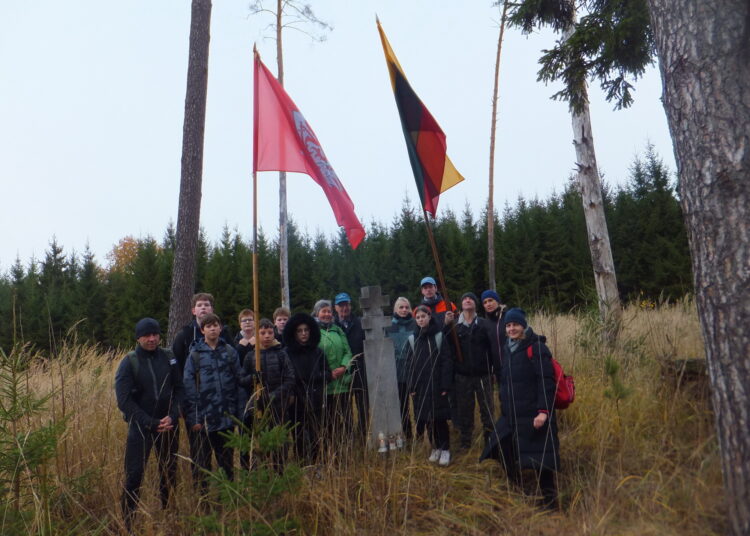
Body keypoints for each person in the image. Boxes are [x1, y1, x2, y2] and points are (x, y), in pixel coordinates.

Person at [115, 318, 182, 533]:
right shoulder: (129, 362)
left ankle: (168, 511)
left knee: (169, 470)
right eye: (147, 335)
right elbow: (124, 401)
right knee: (134, 475)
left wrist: (172, 416)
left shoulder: (169, 357)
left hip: (168, 426)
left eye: (155, 335)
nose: (152, 339)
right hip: (141, 428)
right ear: (138, 338)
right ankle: (128, 521)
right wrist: (150, 422)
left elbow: (180, 389)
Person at [495, 308, 560, 510]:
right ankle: (518, 487)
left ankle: (550, 503)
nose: (512, 328)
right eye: (508, 325)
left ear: (523, 325)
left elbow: (546, 382)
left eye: (515, 324)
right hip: (513, 414)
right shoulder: (508, 348)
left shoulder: (536, 347)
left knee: (541, 457)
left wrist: (543, 411)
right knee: (502, 445)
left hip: (534, 413)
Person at [183, 313, 242, 494]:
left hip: (226, 417)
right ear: (202, 330)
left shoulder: (230, 351)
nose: (213, 329)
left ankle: (230, 495)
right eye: (208, 326)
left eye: (216, 325)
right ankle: (204, 500)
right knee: (203, 463)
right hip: (205, 419)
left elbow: (238, 381)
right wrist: (194, 417)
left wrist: (238, 413)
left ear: (221, 328)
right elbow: (189, 386)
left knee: (226, 461)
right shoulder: (195, 355)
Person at [406, 305, 454, 466]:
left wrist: (445, 385)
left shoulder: (439, 336)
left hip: (437, 385)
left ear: (429, 316)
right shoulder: (413, 339)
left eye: (423, 316)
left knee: (439, 419)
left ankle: (445, 449)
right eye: (418, 317)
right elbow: (410, 365)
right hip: (421, 388)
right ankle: (435, 447)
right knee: (427, 420)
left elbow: (447, 361)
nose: (421, 319)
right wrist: (411, 386)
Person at [284, 313, 333, 464]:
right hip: (297, 402)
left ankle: (317, 462)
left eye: (306, 330)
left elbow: (328, 374)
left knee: (316, 434)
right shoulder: (287, 353)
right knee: (298, 436)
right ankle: (302, 464)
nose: (304, 333)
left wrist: (315, 376)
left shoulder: (318, 352)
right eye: (299, 331)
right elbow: (285, 377)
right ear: (294, 333)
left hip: (316, 400)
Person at [453, 292, 495, 451]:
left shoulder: (484, 324)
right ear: (461, 304)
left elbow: (492, 350)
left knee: (488, 411)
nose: (467, 300)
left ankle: (490, 443)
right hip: (462, 377)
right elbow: (449, 352)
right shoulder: (454, 326)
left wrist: (493, 371)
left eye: (471, 298)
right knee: (465, 411)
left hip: (483, 375)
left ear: (476, 304)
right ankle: (465, 443)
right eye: (464, 298)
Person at [313, 299, 353, 451]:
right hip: (325, 385)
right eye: (323, 311)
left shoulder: (338, 330)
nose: (327, 314)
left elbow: (347, 351)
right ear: (317, 313)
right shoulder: (314, 332)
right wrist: (328, 373)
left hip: (342, 384)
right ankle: (332, 450)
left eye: (329, 311)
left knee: (347, 419)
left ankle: (347, 449)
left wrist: (343, 367)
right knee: (329, 422)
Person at [333, 291, 369, 439]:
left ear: (350, 305)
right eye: (341, 305)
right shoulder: (332, 325)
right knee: (344, 408)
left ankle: (361, 436)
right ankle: (348, 438)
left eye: (346, 304)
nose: (344, 308)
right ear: (335, 308)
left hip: (360, 370)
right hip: (341, 373)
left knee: (363, 408)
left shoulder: (361, 323)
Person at [384, 296, 416, 440]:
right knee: (403, 408)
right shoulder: (389, 326)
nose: (404, 310)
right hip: (397, 373)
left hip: (415, 371)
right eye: (400, 307)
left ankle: (422, 437)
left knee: (420, 406)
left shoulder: (416, 324)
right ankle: (408, 437)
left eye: (406, 307)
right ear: (395, 309)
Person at [233, 308, 256, 470]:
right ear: (239, 324)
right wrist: (242, 348)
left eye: (250, 319)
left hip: (259, 391)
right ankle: (245, 467)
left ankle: (259, 464)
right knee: (244, 432)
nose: (247, 323)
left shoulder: (262, 339)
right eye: (244, 320)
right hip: (242, 394)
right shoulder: (235, 343)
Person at [481, 290, 506, 379]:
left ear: (497, 301)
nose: (488, 304)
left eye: (491, 300)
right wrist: (492, 370)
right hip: (498, 371)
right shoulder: (486, 324)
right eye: (485, 302)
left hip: (515, 367)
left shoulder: (509, 317)